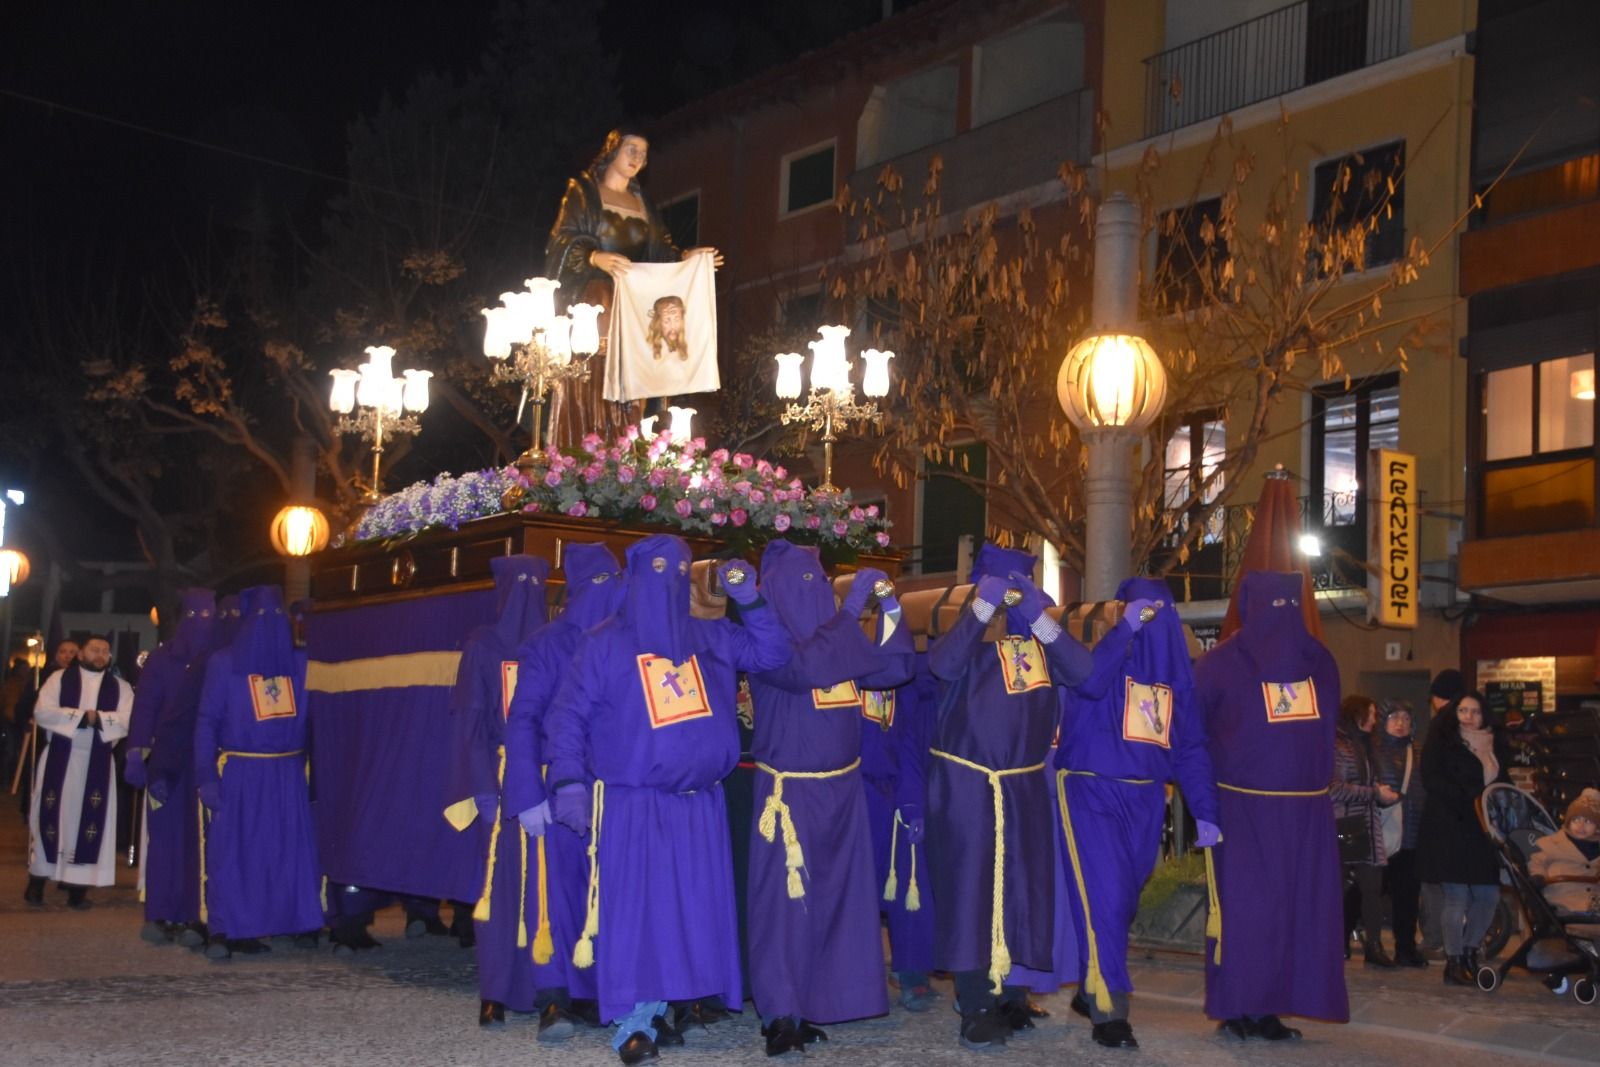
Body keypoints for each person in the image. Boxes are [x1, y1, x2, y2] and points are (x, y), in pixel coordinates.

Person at [544, 535, 790, 1065]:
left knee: (690, 913)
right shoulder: (604, 642)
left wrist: (748, 597)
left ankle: (662, 1009)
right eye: (658, 570)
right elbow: (566, 717)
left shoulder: (711, 636)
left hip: (701, 805)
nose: (670, 580)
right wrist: (568, 783)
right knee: (640, 914)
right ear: (634, 580)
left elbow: (772, 653)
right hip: (635, 804)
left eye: (680, 570)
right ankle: (634, 1020)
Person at [744, 544, 914, 1055]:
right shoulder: (770, 644)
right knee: (784, 909)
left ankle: (818, 1001)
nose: (814, 592)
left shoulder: (838, 644)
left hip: (843, 791)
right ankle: (780, 1014)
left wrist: (889, 607)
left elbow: (895, 668)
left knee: (835, 903)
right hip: (787, 795)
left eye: (820, 582)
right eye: (804, 584)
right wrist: (847, 610)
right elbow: (803, 669)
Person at [924, 543, 1094, 1050]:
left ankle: (1009, 993)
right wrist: (982, 608)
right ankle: (974, 1005)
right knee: (969, 892)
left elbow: (1083, 671)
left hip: (1023, 783)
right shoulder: (964, 629)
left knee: (1020, 890)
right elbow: (943, 664)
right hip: (965, 783)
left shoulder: (1041, 640)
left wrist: (1033, 616)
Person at [1055, 578, 1221, 1049]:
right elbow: (1087, 682)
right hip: (1091, 793)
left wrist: (1206, 812)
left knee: (1122, 904)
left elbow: (1190, 748)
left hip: (1146, 799)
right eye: (1141, 612)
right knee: (1104, 901)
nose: (1152, 622)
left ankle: (1093, 989)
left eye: (1160, 614)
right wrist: (1125, 630)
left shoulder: (1175, 682)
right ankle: (1112, 1015)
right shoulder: (1101, 659)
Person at [1195, 571, 1347, 1040]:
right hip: (1244, 812)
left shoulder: (1319, 663)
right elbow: (1194, 736)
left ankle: (1274, 1006)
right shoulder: (1221, 665)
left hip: (1306, 813)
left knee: (1297, 914)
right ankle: (1240, 1007)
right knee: (1248, 913)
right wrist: (1204, 803)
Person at [506, 543, 627, 1041]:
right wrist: (525, 791)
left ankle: (611, 991)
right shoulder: (547, 644)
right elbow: (524, 718)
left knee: (615, 891)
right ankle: (554, 997)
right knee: (556, 895)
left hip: (618, 787)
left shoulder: (629, 638)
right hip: (562, 787)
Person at [544, 128, 722, 437]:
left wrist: (686, 256)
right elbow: (562, 239)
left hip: (634, 297)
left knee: (634, 363)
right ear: (612, 151)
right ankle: (591, 433)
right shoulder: (584, 192)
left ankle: (624, 435)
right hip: (594, 293)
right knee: (598, 358)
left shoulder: (642, 202)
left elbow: (659, 251)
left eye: (643, 153)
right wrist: (593, 257)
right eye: (631, 149)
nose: (638, 158)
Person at [443, 555, 551, 1028]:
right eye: (519, 584)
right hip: (505, 776)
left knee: (550, 890)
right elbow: (469, 721)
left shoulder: (556, 641)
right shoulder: (483, 647)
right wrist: (483, 788)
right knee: (500, 890)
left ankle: (550, 988)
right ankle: (497, 989)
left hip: (549, 776)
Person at [194, 585, 321, 959]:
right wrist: (206, 776)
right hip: (242, 773)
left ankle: (293, 920)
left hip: (288, 773)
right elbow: (206, 723)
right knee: (238, 853)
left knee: (287, 852)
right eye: (262, 618)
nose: (271, 625)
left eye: (277, 617)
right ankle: (231, 927)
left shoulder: (301, 664)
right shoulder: (224, 663)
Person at [125, 589, 217, 944]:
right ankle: (162, 912)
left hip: (208, 761)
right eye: (194, 616)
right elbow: (145, 707)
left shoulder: (220, 658)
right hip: (167, 762)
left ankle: (197, 915)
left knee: (202, 841)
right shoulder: (162, 661)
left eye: (208, 616)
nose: (201, 624)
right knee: (166, 839)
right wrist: (136, 752)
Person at [25, 635, 133, 909]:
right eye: (95, 650)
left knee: (86, 824)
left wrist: (99, 718)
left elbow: (129, 718)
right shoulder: (59, 680)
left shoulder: (119, 687)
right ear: (81, 654)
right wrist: (82, 717)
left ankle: (77, 890)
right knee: (49, 817)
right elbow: (42, 711)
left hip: (96, 763)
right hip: (61, 759)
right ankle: (37, 884)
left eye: (105, 651)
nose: (101, 655)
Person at [860, 655, 940, 1012]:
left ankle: (912, 974)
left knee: (911, 884)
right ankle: (858, 981)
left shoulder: (902, 683)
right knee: (854, 893)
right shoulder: (844, 668)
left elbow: (907, 745)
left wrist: (912, 804)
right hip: (853, 793)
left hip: (894, 795)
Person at [1416, 689, 1509, 985]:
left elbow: (1500, 782)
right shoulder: (1442, 741)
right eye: (1463, 711)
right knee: (1456, 896)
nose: (1470, 717)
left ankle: (1470, 952)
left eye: (1476, 712)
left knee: (1488, 894)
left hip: (1482, 828)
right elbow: (1431, 779)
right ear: (1453, 714)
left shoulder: (1495, 742)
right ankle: (1454, 962)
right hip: (1450, 824)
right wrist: (1468, 797)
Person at [1331, 694, 1399, 968]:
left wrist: (1380, 793)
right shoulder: (1337, 745)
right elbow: (1333, 788)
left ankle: (1374, 946)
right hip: (1342, 825)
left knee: (1373, 887)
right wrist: (1373, 793)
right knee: (1337, 890)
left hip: (1365, 826)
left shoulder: (1367, 746)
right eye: (1370, 714)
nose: (1374, 721)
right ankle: (1335, 944)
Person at [1371, 699, 1428, 967]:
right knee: (1367, 892)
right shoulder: (1372, 751)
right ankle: (1365, 945)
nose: (1400, 723)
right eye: (1394, 717)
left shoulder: (1418, 753)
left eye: (1405, 718)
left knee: (1407, 897)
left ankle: (1405, 949)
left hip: (1411, 835)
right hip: (1380, 834)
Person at [1419, 668, 1466, 955]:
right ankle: (1463, 943)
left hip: (1440, 815)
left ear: (1437, 698)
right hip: (1465, 815)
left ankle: (1440, 940)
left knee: (1435, 881)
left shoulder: (1440, 726)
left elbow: (1430, 774)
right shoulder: (1471, 721)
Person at [1529, 789, 1600, 917]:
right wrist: (1537, 875)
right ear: (1568, 822)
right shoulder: (1552, 843)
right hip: (1563, 898)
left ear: (1597, 827)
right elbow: (1537, 861)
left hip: (1593, 902)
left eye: (1588, 822)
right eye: (1576, 820)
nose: (1581, 826)